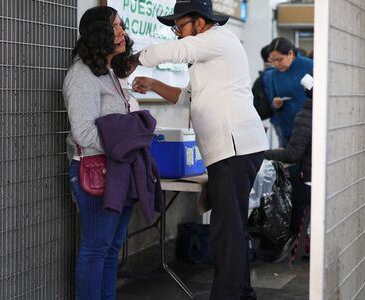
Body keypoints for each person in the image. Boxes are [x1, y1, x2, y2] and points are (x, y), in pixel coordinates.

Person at [129, 1, 269, 298]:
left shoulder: (217, 39)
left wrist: (133, 59)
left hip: (234, 148)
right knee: (231, 229)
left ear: (200, 24)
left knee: (226, 233)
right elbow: (184, 97)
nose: (178, 34)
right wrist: (154, 83)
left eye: (180, 27)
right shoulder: (209, 58)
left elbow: (176, 51)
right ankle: (241, 293)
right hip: (232, 150)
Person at [63, 6, 140, 299]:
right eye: (114, 27)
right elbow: (83, 134)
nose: (122, 32)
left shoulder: (112, 73)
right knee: (96, 248)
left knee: (111, 247)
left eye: (121, 26)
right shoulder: (82, 75)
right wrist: (128, 140)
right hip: (95, 169)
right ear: (99, 35)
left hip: (120, 170)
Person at [264, 74, 313, 258]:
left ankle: (297, 249)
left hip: (309, 181)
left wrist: (264, 154)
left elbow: (292, 154)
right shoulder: (335, 113)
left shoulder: (306, 115)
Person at [267, 37, 314, 147]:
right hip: (288, 130)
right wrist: (276, 105)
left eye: (279, 59)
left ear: (291, 54)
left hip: (309, 129)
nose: (276, 64)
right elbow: (273, 100)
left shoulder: (310, 66)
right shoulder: (275, 75)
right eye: (273, 60)